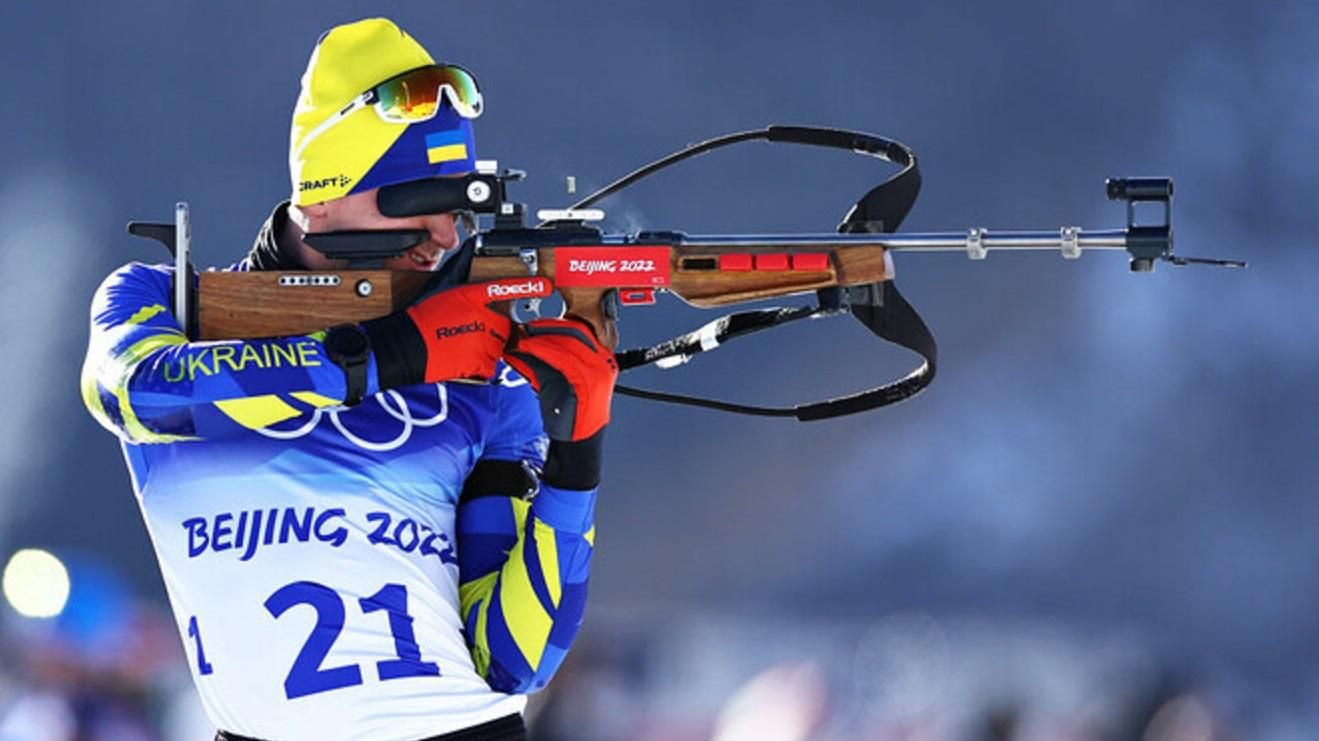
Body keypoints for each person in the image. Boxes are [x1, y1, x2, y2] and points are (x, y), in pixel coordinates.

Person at [80, 18, 616, 741]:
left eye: (457, 205)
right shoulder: (165, 304)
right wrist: (384, 357)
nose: (445, 237)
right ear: (322, 199)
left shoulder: (478, 366)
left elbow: (514, 658)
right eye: (414, 202)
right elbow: (138, 392)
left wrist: (575, 459)